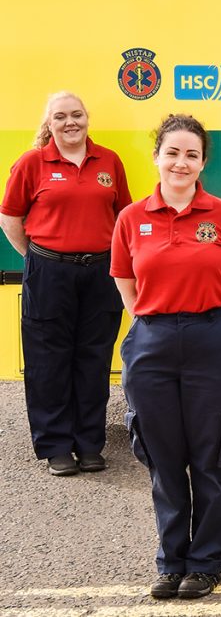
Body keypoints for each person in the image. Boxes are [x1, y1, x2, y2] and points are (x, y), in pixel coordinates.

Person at [110, 114, 221, 600]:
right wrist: (155, 323)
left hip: (210, 340)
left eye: (191, 154)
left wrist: (218, 330)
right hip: (151, 343)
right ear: (157, 156)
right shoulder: (131, 218)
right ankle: (171, 564)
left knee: (210, 456)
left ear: (203, 162)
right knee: (163, 459)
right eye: (172, 152)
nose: (181, 162)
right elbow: (125, 283)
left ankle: (206, 563)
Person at [0, 92, 131, 476]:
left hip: (100, 271)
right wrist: (38, 257)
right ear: (50, 123)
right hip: (49, 271)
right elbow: (10, 219)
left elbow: (122, 216)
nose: (70, 122)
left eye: (77, 114)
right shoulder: (33, 163)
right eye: (61, 116)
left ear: (87, 119)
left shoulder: (109, 161)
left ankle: (89, 443)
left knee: (93, 358)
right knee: (48, 360)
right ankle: (56, 445)